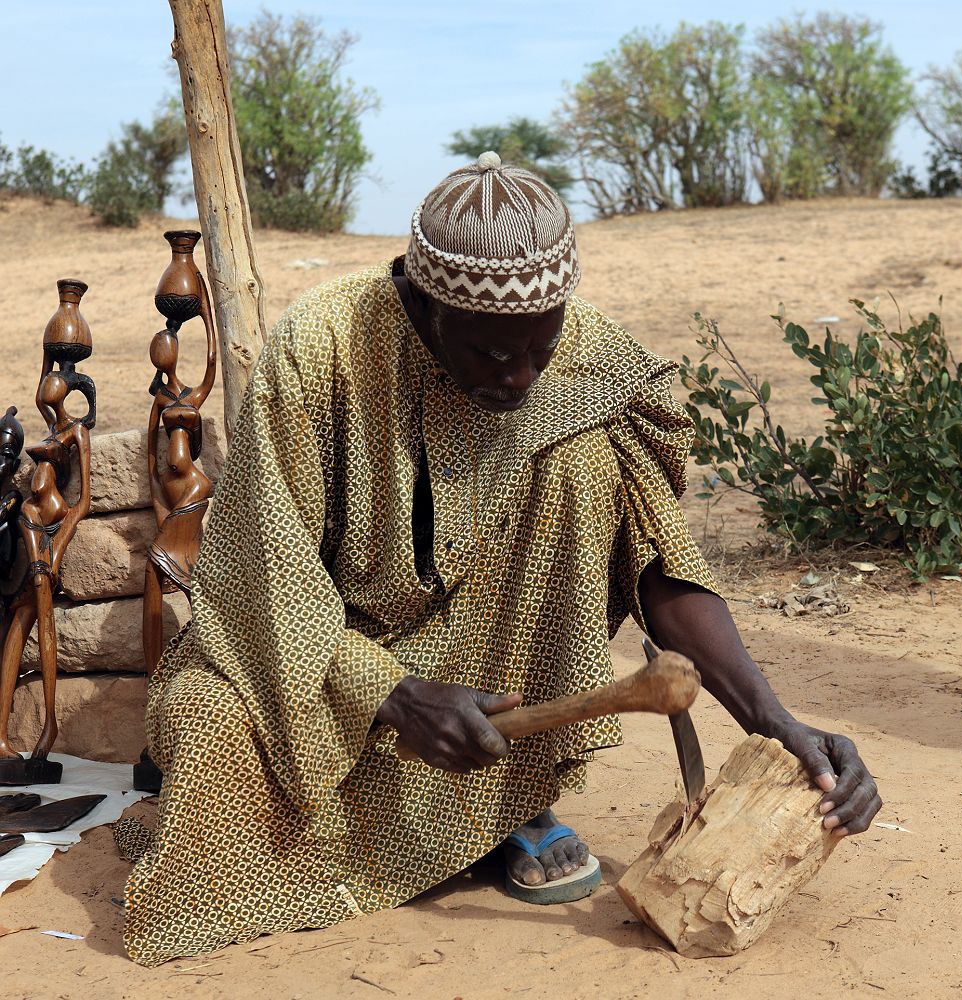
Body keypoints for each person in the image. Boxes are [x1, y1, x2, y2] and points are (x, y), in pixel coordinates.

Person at [120, 153, 881, 967]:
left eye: (538, 351)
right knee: (208, 730)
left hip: (489, 666)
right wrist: (396, 695)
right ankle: (453, 818)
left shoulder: (590, 357)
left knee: (587, 458)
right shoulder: (322, 345)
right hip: (322, 665)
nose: (518, 377)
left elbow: (659, 560)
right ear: (426, 305)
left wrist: (776, 723)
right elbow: (261, 578)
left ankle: (508, 799)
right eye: (489, 353)